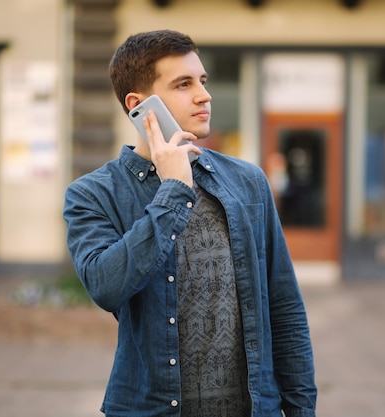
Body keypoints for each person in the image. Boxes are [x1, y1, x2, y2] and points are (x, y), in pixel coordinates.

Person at [63, 29, 317, 417]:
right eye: (184, 84)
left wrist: (302, 411)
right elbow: (105, 286)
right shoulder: (93, 194)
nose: (204, 94)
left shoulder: (248, 182)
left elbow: (284, 310)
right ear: (140, 105)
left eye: (202, 80)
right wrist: (174, 190)